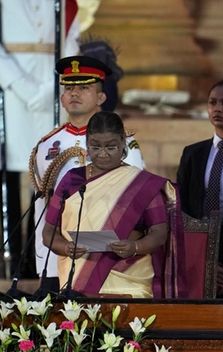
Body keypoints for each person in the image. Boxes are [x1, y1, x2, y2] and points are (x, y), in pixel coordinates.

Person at [30, 55, 143, 295]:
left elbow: (132, 203)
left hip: (101, 258)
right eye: (69, 88)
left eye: (84, 87)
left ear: (101, 97)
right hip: (55, 255)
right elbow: (42, 206)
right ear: (61, 97)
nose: (74, 93)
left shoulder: (124, 143)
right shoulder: (47, 144)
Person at [41, 111, 183, 299]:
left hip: (129, 280)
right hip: (78, 279)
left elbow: (159, 233)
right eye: (96, 146)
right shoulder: (71, 180)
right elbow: (49, 232)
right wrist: (66, 248)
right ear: (87, 142)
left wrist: (135, 247)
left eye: (111, 147)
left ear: (123, 142)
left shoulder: (141, 184)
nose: (103, 154)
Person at [0, 1, 79, 278]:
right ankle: (13, 259)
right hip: (9, 90)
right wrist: (19, 84)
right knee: (9, 172)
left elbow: (71, 40)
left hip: (51, 88)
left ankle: (38, 260)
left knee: (47, 171)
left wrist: (55, 85)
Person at [177, 79, 223, 297]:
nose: (218, 109)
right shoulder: (192, 154)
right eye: (213, 103)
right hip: (198, 249)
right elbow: (182, 207)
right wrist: (203, 260)